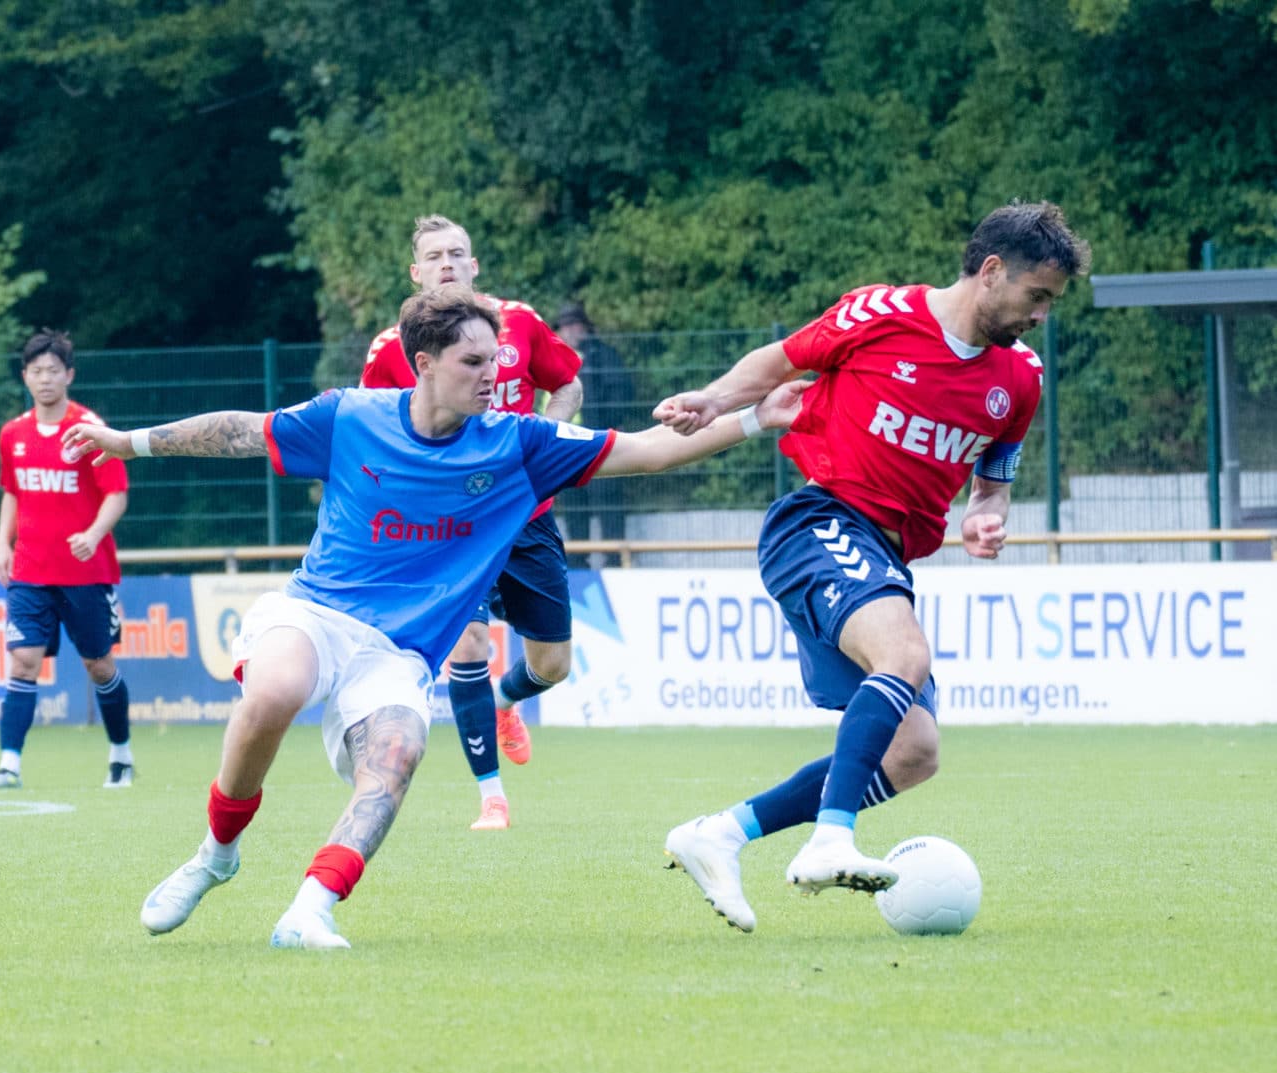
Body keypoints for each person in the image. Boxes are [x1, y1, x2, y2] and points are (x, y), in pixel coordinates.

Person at [64, 285, 804, 950]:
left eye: (498, 360)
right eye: (474, 360)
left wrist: (752, 419)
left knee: (396, 758)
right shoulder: (350, 416)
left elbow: (644, 452)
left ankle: (310, 910)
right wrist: (125, 442)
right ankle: (215, 856)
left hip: (400, 657)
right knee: (274, 692)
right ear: (424, 362)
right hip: (317, 613)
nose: (494, 375)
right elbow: (241, 430)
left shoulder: (520, 443)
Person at [656, 200, 1091, 932]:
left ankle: (719, 835)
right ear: (991, 272)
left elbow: (993, 482)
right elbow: (777, 363)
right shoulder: (880, 315)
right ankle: (830, 840)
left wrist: (987, 518)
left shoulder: (1019, 377)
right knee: (905, 653)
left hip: (886, 555)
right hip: (819, 520)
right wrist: (713, 397)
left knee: (916, 752)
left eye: (1050, 302)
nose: (1041, 314)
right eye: (1036, 296)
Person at [360, 215, 584, 830]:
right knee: (469, 643)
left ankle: (505, 701)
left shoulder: (521, 322)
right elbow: (373, 431)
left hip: (524, 517)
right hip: (449, 528)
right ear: (416, 272)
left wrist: (553, 453)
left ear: (475, 264)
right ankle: (492, 798)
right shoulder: (391, 349)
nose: (448, 264)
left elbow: (567, 386)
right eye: (435, 256)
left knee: (553, 664)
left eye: (458, 253)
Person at [0, 328, 135, 790]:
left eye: (53, 370)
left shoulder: (89, 429)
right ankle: (9, 765)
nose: (45, 378)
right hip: (29, 570)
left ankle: (121, 757)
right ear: (25, 376)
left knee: (99, 666)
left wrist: (93, 533)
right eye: (36, 371)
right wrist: (1, 544)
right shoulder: (13, 434)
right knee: (23, 660)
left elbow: (116, 494)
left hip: (86, 573)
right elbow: (13, 493)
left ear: (68, 375)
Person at [554, 302, 637, 568]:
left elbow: (622, 394)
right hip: (566, 444)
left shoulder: (604, 356)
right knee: (574, 503)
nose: (570, 330)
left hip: (602, 441)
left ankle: (615, 561)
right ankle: (578, 563)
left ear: (585, 327)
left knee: (608, 501)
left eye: (574, 324)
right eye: (565, 326)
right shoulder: (556, 358)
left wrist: (610, 424)